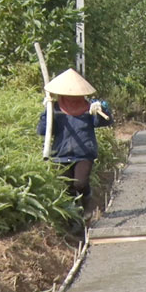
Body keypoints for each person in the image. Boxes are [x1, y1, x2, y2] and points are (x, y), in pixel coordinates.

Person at [37, 68, 112, 221]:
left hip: (83, 153)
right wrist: (47, 112)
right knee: (66, 189)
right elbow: (43, 131)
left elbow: (105, 121)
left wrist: (102, 109)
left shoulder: (88, 108)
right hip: (61, 155)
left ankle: (87, 204)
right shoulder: (55, 109)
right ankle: (73, 219)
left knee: (80, 183)